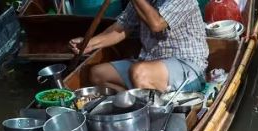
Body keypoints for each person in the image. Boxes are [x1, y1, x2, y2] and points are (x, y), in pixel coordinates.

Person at [69, 0, 208, 93]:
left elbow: (157, 24)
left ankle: (153, 112)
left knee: (140, 72)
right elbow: (122, 27)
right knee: (98, 74)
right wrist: (88, 44)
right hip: (149, 63)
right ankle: (139, 102)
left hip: (187, 68)